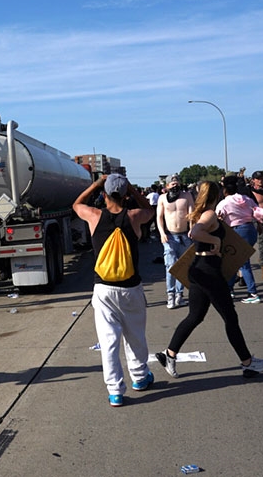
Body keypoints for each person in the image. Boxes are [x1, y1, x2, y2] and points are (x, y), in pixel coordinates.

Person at [155, 181, 263, 379]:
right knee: (230, 318)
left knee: (195, 316)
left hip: (199, 268)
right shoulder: (208, 214)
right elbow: (195, 233)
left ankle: (169, 354)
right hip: (208, 271)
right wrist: (216, 239)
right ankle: (248, 363)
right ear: (216, 195)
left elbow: (196, 231)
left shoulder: (201, 214)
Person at [73, 173, 156, 406]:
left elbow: (77, 204)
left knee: (109, 341)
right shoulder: (134, 216)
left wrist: (96, 183)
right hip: (131, 288)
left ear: (104, 194)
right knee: (135, 336)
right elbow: (149, 209)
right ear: (125, 194)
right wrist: (132, 188)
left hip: (104, 289)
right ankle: (140, 377)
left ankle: (115, 391)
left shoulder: (94, 216)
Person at [217, 177, 261, 303]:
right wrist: (259, 224)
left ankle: (253, 293)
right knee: (235, 262)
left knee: (242, 263)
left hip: (236, 231)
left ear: (225, 190)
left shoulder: (224, 203)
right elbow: (258, 210)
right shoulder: (246, 198)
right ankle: (229, 289)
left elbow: (217, 217)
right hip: (250, 229)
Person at [155, 174, 193, 309]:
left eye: (177, 183)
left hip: (184, 235)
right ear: (167, 186)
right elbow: (159, 217)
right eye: (172, 183)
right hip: (170, 236)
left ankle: (179, 295)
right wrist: (161, 233)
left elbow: (191, 214)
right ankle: (170, 295)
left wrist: (192, 229)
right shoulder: (162, 198)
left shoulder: (187, 196)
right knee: (170, 266)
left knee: (182, 267)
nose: (175, 185)